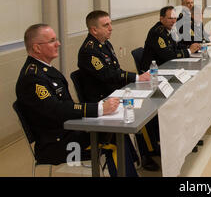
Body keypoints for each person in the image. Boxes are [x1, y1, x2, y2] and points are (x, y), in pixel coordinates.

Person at [15, 24, 138, 177]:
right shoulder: (32, 78)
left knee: (116, 131)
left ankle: (131, 171)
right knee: (113, 140)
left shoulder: (45, 70)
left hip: (68, 131)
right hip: (56, 144)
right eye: (52, 41)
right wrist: (99, 109)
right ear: (37, 48)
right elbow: (56, 110)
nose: (58, 44)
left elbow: (65, 106)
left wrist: (98, 109)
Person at [77, 10, 159, 171]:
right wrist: (136, 78)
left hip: (115, 92)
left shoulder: (105, 43)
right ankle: (142, 157)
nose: (111, 28)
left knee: (148, 108)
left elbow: (116, 70)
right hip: (103, 99)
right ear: (94, 30)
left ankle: (150, 150)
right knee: (139, 112)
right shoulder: (89, 50)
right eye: (106, 25)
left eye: (110, 23)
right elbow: (107, 75)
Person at [141, 6, 201, 70]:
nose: (173, 21)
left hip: (167, 65)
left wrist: (191, 47)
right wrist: (189, 51)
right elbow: (168, 55)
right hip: (154, 70)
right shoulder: (158, 33)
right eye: (170, 18)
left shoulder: (169, 29)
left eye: (175, 18)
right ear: (161, 19)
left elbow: (176, 46)